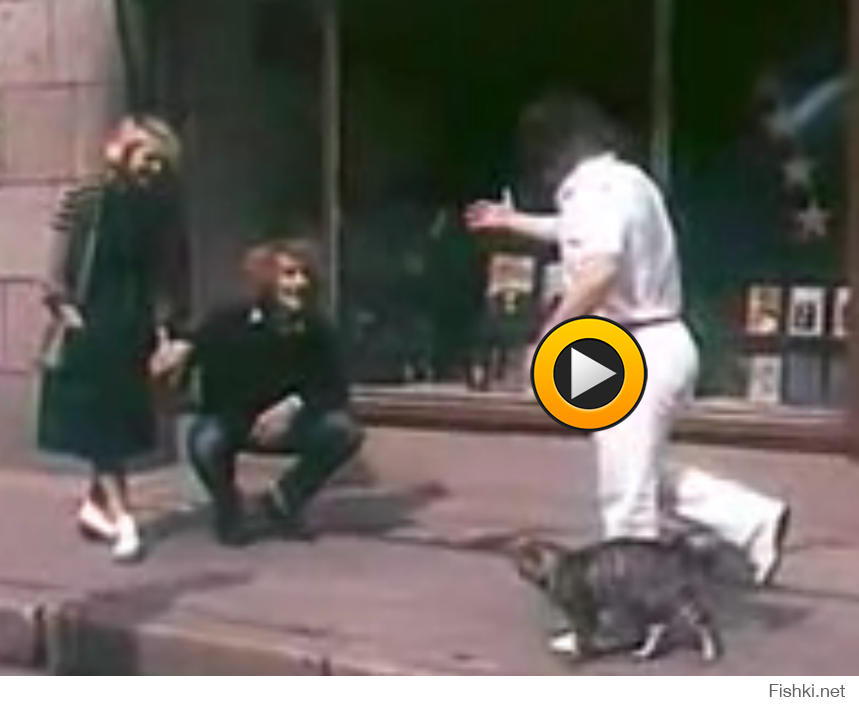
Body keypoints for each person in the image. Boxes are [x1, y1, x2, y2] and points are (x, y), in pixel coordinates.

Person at [465, 92, 791, 652]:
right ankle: (750, 519)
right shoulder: (627, 182)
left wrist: (551, 335)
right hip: (658, 340)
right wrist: (514, 222)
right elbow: (576, 231)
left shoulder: (593, 192)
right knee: (638, 470)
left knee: (626, 495)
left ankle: (626, 620)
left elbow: (598, 268)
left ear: (554, 153)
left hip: (633, 350)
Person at [37, 114, 189, 562]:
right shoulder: (86, 198)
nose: (154, 169)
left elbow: (170, 274)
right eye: (147, 158)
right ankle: (125, 521)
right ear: (122, 153)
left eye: (161, 162)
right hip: (91, 322)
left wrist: (168, 331)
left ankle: (95, 506)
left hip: (133, 326)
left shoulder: (162, 209)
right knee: (105, 429)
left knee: (118, 427)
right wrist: (64, 307)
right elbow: (58, 263)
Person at [152, 240, 365, 546]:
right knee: (205, 440)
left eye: (305, 275)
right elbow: (189, 349)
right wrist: (174, 358)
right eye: (289, 275)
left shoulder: (317, 330)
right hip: (234, 421)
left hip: (292, 424)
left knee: (344, 431)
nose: (300, 284)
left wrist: (293, 406)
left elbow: (335, 389)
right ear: (266, 280)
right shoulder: (229, 321)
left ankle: (284, 500)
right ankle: (229, 509)